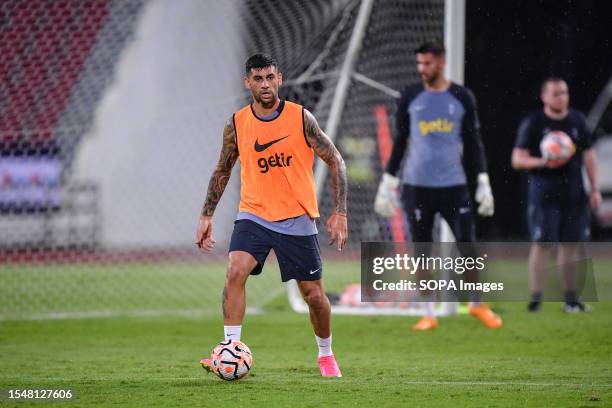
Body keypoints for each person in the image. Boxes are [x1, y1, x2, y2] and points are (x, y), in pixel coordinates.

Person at [195, 53, 347, 377]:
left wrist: (340, 212)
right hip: (254, 214)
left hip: (297, 217)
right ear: (247, 82)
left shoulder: (300, 118)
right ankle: (230, 350)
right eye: (258, 79)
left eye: (270, 77)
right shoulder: (237, 124)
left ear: (279, 79)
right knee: (235, 270)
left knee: (314, 296)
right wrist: (206, 215)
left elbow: (335, 160)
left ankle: (325, 354)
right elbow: (223, 169)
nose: (265, 84)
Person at [374, 40, 502, 331]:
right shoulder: (410, 97)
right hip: (416, 187)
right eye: (419, 63)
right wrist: (388, 181)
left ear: (442, 62)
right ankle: (428, 311)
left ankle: (476, 303)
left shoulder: (462, 97)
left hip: (453, 185)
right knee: (421, 250)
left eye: (427, 63)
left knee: (467, 246)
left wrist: (482, 180)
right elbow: (401, 142)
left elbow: (473, 142)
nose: (422, 69)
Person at [511, 77, 601, 313]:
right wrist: (544, 161)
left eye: (564, 93)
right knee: (542, 244)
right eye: (556, 93)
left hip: (573, 194)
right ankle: (535, 300)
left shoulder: (577, 121)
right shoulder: (534, 122)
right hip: (543, 195)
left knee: (570, 245)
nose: (562, 97)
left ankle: (571, 300)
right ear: (544, 96)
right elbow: (517, 159)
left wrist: (594, 189)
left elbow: (589, 156)